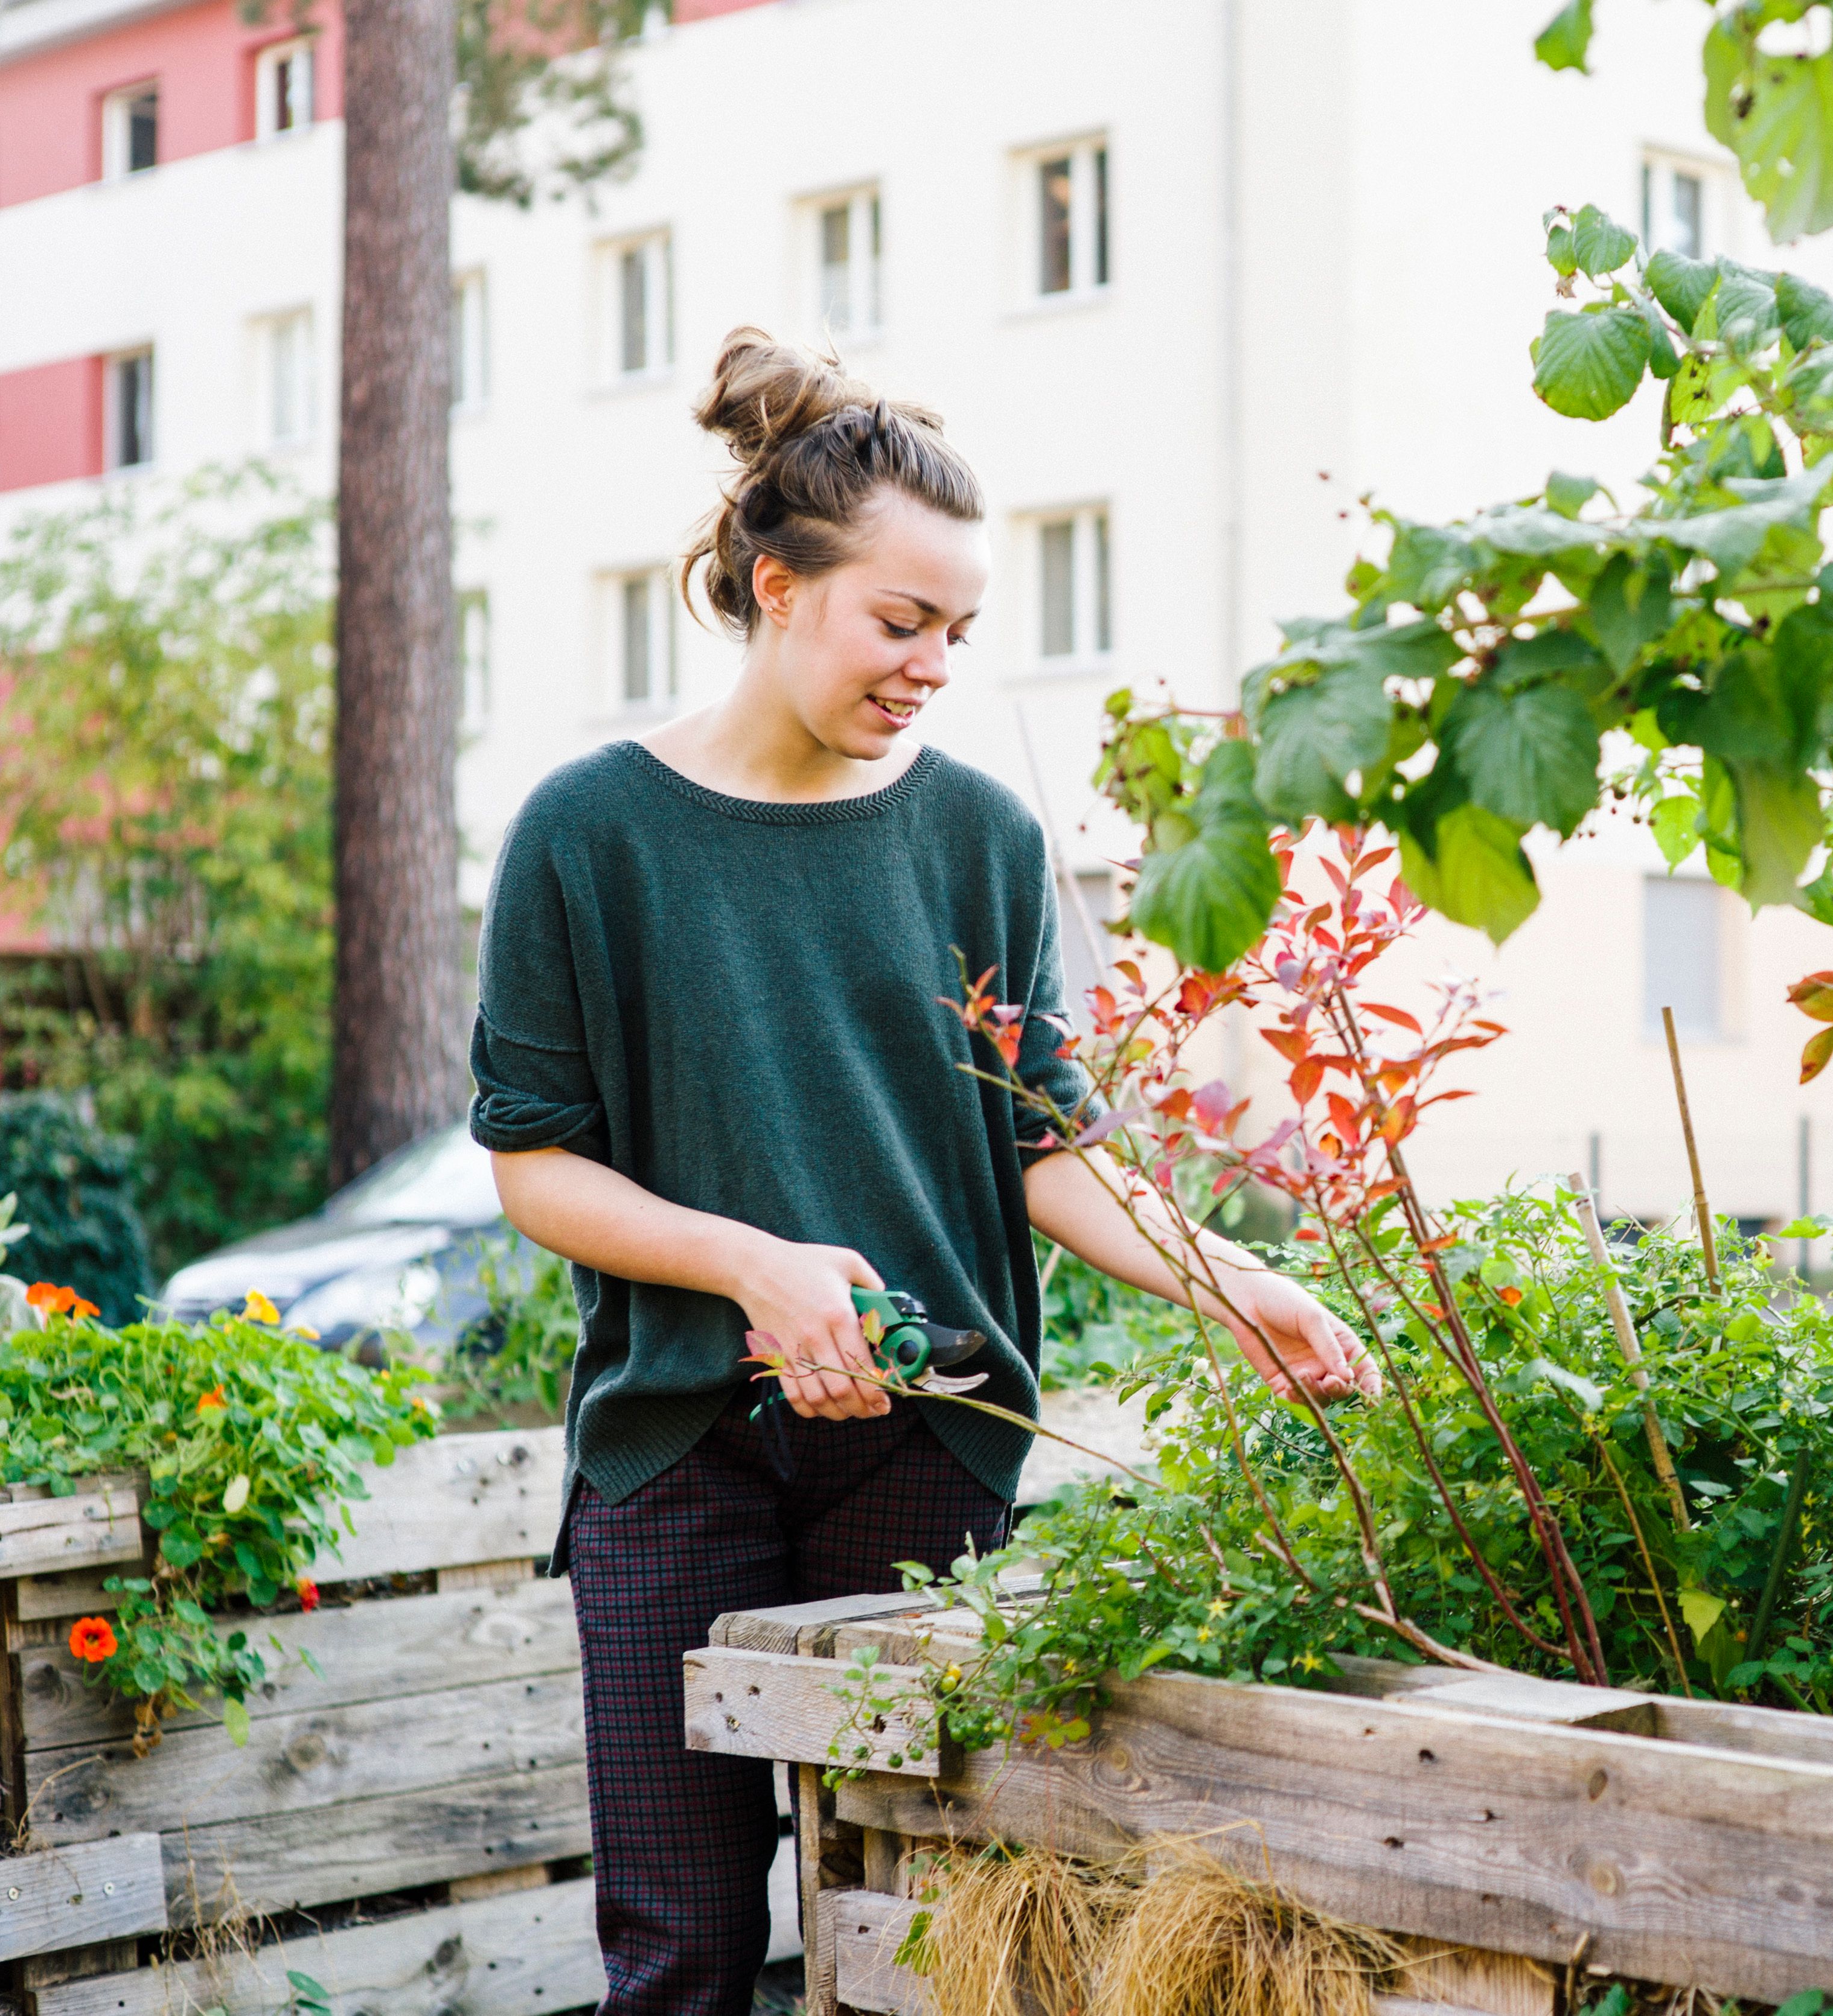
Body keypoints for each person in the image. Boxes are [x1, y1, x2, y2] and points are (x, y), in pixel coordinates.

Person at [468, 329, 1376, 2016]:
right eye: (904, 620)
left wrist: (1230, 1274)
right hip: (678, 1450)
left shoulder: (979, 835)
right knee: (679, 1953)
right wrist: (759, 1264)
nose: (937, 663)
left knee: (919, 1941)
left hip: (932, 1446)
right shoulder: (588, 834)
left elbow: (1043, 1146)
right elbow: (534, 1162)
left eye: (961, 628)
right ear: (776, 584)